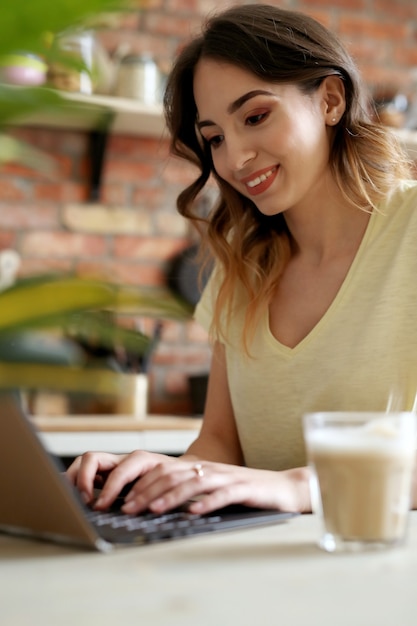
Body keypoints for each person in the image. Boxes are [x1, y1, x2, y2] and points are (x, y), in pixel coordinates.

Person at [67, 4, 417, 514]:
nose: (235, 159)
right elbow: (220, 446)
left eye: (255, 116)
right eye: (214, 139)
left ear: (331, 101)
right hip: (250, 569)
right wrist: (147, 474)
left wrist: (299, 487)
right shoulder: (240, 265)